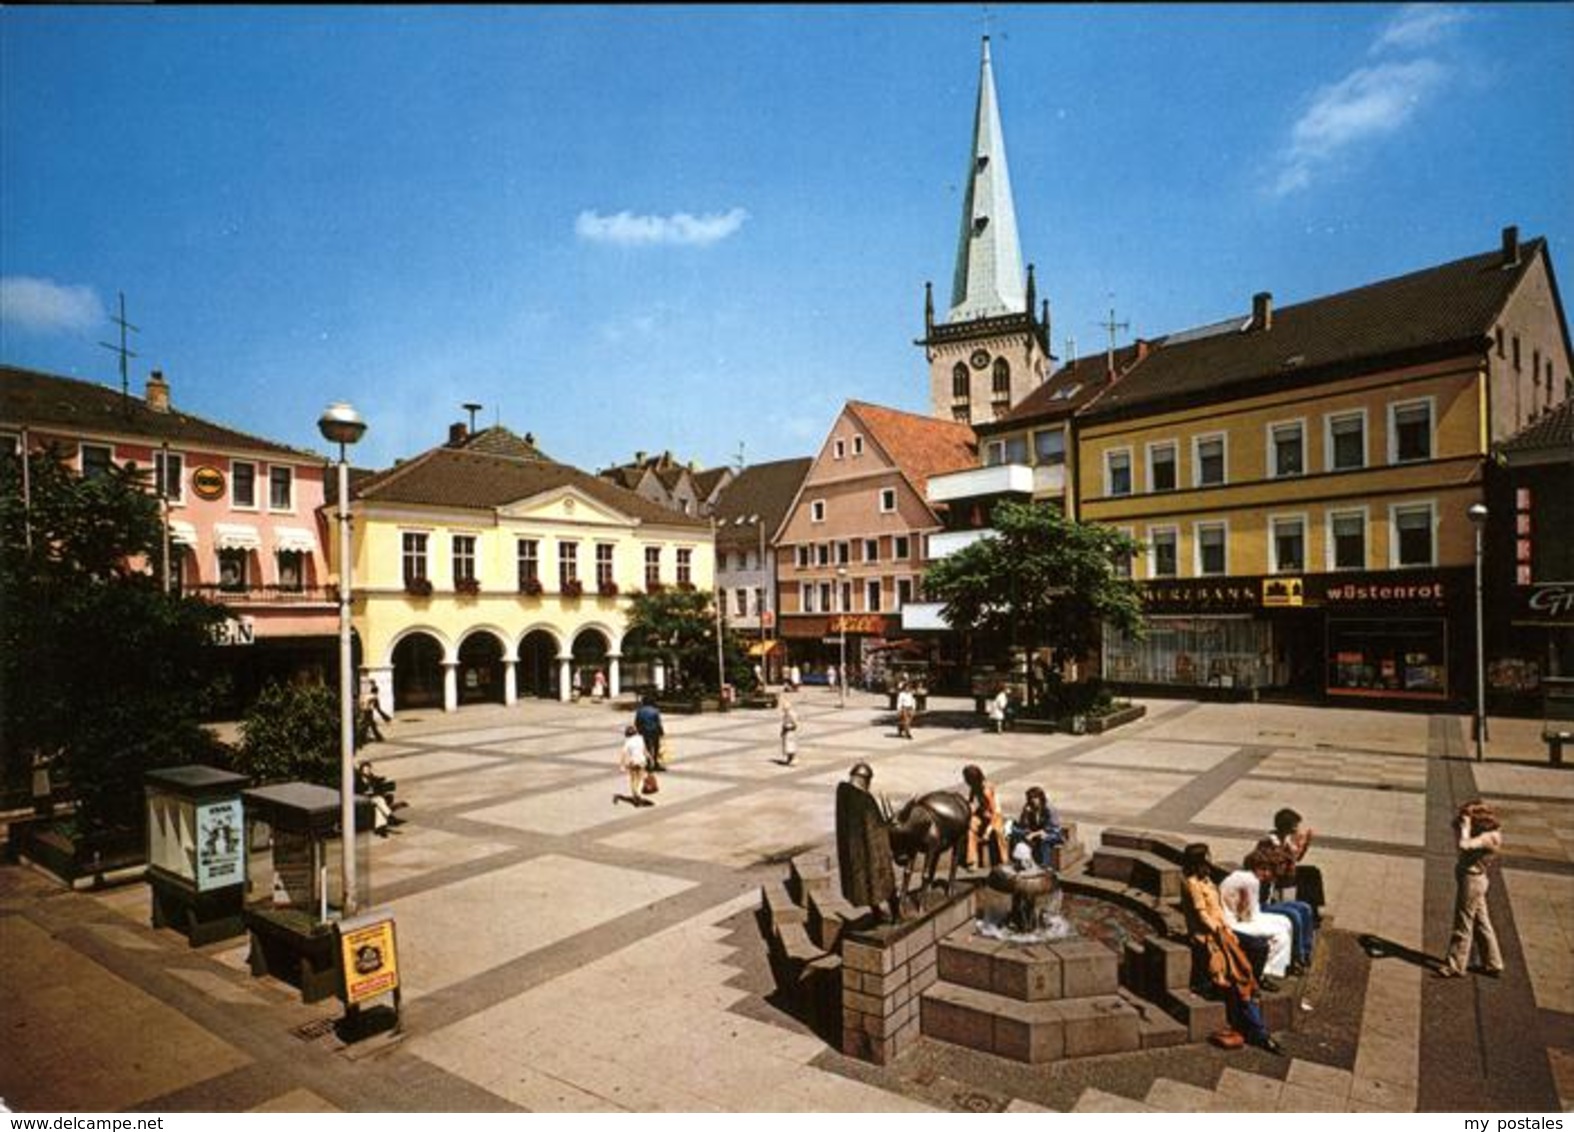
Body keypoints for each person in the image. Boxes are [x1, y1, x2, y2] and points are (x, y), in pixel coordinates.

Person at [1180, 843, 1284, 1055]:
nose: (1211, 858)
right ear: (1200, 860)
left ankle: (1252, 984)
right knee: (1239, 978)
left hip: (1223, 930)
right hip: (1210, 936)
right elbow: (1202, 915)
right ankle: (1259, 1032)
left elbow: (1218, 908)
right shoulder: (1192, 884)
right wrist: (1222, 933)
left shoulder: (1206, 879)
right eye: (1208, 856)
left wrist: (1228, 928)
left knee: (1258, 947)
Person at [1437, 799, 1504, 979]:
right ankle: (1493, 962)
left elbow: (1463, 845)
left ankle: (1455, 965)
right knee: (1482, 922)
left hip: (1472, 881)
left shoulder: (1488, 837)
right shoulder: (1490, 833)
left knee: (1463, 923)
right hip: (1475, 880)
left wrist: (1466, 826)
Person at [1218, 858, 1297, 985]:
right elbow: (1251, 914)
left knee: (1286, 921)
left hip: (1239, 917)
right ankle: (1268, 971)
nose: (1266, 874)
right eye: (1264, 870)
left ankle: (1282, 964)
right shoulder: (1252, 881)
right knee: (1281, 932)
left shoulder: (1242, 876)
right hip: (1233, 923)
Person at [836, 762, 898, 921]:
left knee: (866, 886)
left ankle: (877, 912)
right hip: (871, 851)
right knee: (887, 884)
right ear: (865, 779)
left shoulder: (843, 794)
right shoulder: (865, 800)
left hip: (855, 851)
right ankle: (897, 916)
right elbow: (875, 828)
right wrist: (888, 825)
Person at [1245, 847, 1316, 974]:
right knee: (1294, 915)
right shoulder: (1263, 875)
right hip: (1260, 907)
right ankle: (1297, 957)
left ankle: (1306, 951)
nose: (1284, 869)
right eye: (1282, 865)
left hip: (1269, 904)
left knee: (1305, 907)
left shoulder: (1276, 874)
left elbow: (1287, 882)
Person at [1264, 808, 1327, 924]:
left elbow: (1296, 859)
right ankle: (1312, 911)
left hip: (1286, 872)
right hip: (1278, 877)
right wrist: (1301, 845)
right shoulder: (1273, 841)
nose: (1298, 829)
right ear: (1290, 827)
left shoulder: (1285, 838)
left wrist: (1305, 844)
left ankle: (1315, 907)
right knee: (1307, 877)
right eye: (1296, 826)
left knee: (1313, 871)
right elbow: (1284, 863)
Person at [962, 764, 1009, 869]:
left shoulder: (986, 790)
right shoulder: (975, 787)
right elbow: (971, 801)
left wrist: (988, 830)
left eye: (966, 778)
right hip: (982, 813)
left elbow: (995, 811)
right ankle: (972, 860)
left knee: (998, 833)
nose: (965, 781)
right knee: (971, 828)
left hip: (994, 815)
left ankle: (1003, 860)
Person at [1009, 786, 1065, 869]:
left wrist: (1033, 834)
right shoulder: (1031, 808)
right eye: (1030, 798)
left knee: (1044, 838)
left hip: (1053, 834)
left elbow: (1049, 829)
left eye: (1035, 798)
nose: (1032, 800)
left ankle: (1045, 864)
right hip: (1036, 832)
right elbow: (1023, 825)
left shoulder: (1049, 809)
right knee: (1015, 831)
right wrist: (1025, 813)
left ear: (1040, 798)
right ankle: (1020, 860)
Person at [616, 724, 653, 807]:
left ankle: (635, 796)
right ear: (635, 732)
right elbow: (645, 750)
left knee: (633, 780)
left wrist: (622, 765)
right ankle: (639, 793)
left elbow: (624, 754)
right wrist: (650, 758)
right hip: (641, 761)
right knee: (641, 779)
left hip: (632, 762)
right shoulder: (640, 738)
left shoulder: (628, 742)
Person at [634, 695, 666, 771]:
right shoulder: (655, 711)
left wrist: (639, 731)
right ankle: (655, 763)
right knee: (656, 747)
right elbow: (658, 723)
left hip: (644, 731)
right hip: (654, 731)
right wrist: (661, 732)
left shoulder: (639, 711)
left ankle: (648, 764)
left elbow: (637, 722)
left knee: (647, 748)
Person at [780, 697, 800, 765]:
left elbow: (795, 723)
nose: (784, 710)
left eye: (785, 709)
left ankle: (793, 758)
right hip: (786, 732)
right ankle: (788, 758)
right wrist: (782, 731)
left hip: (791, 732)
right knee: (787, 746)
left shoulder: (792, 714)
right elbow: (784, 723)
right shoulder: (785, 715)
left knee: (791, 746)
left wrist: (791, 728)